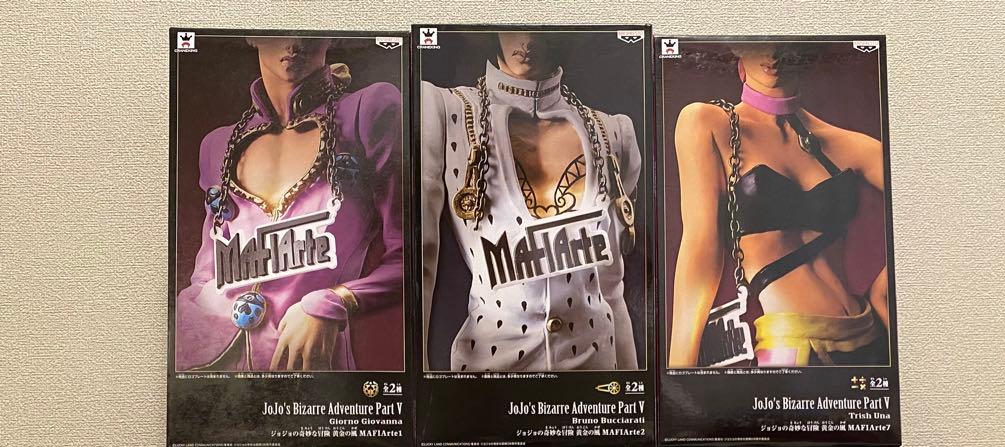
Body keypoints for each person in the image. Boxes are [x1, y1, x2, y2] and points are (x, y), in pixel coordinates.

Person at [176, 35, 403, 371]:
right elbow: (207, 268)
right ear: (252, 37)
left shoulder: (368, 112)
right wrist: (188, 322)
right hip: (205, 360)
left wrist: (335, 300)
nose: (294, 42)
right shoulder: (217, 145)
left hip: (304, 364)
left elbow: (410, 257)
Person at [421, 31, 640, 372]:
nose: (527, 41)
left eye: (541, 28)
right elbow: (422, 260)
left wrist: (632, 391)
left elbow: (611, 288)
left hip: (595, 374)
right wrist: (418, 383)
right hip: (489, 375)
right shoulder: (445, 110)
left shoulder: (612, 133)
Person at [669, 42, 888, 368]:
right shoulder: (706, 122)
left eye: (781, 44)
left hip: (871, 336)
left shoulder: (850, 144)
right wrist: (679, 369)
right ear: (738, 53)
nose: (771, 55)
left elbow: (927, 206)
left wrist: (885, 292)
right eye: (756, 44)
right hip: (790, 346)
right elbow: (700, 248)